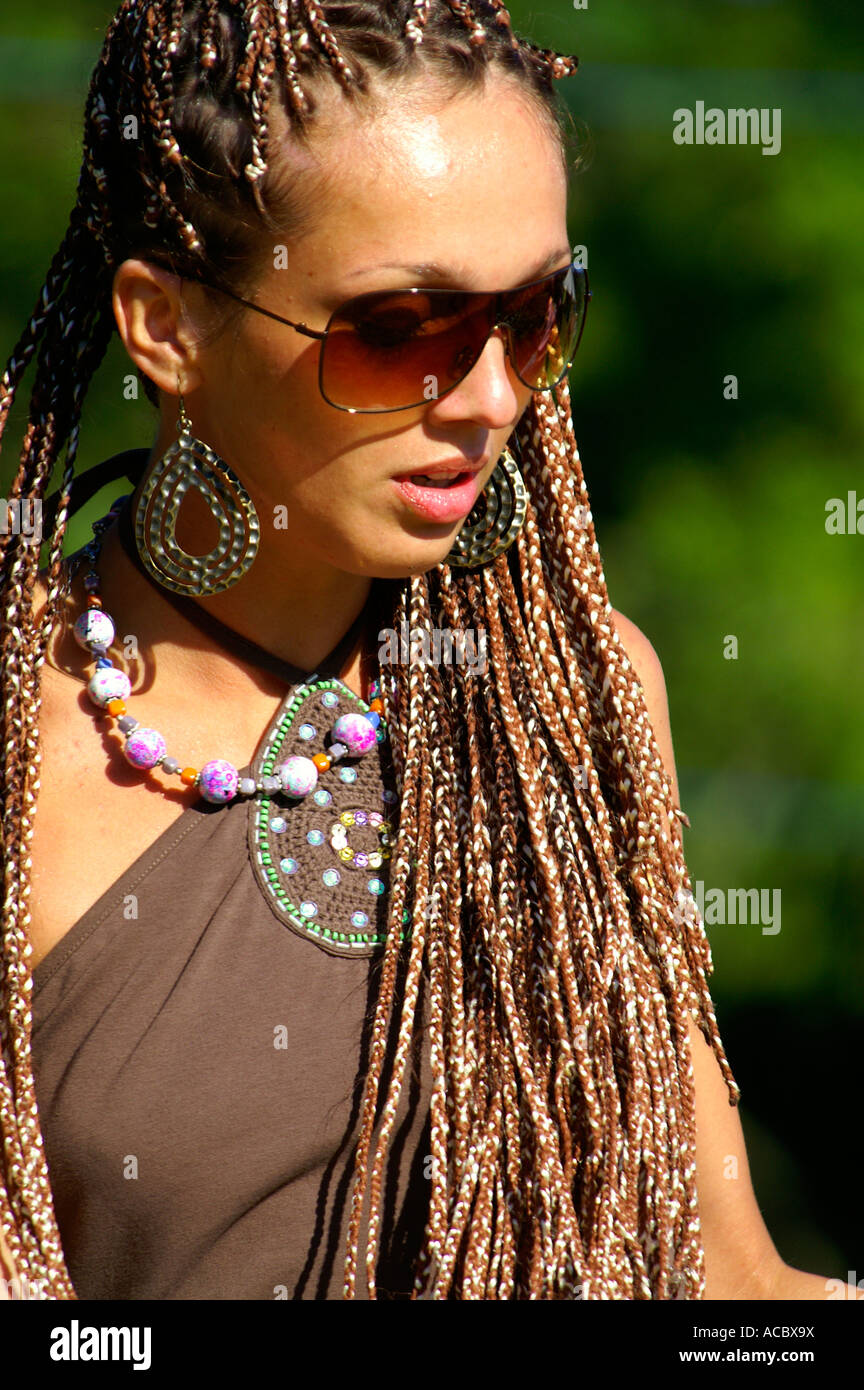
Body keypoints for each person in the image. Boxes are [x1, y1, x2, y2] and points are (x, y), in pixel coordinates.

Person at [0, 0, 852, 1302]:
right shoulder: (22, 750)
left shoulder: (582, 698)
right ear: (164, 326)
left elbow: (722, 1273)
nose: (494, 393)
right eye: (402, 328)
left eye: (534, 313)